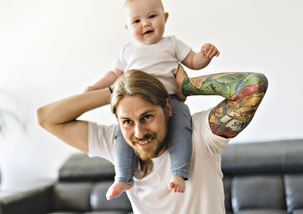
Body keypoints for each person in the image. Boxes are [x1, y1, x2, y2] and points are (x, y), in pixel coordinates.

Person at [37, 67, 268, 214]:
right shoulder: (117, 142)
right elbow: (46, 118)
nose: (139, 132)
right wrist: (114, 90)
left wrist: (185, 86)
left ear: (167, 107)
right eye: (127, 121)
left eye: (147, 117)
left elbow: (253, 85)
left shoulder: (199, 133)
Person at [85, 0, 220, 200]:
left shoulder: (172, 44)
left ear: (165, 18)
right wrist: (95, 88)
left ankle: (178, 172)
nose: (145, 24)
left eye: (152, 16)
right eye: (136, 21)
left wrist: (205, 55)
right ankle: (123, 177)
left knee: (182, 127)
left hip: (169, 99)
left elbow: (193, 61)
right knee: (121, 133)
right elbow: (114, 74)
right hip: (136, 102)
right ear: (128, 27)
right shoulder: (128, 50)